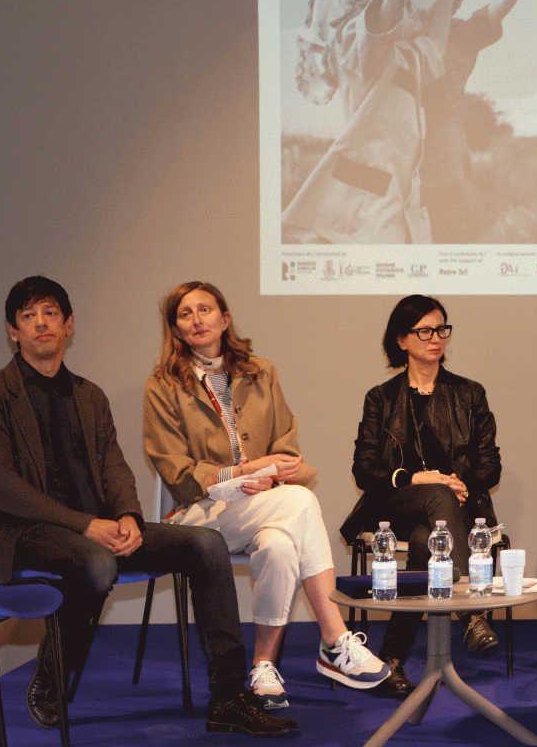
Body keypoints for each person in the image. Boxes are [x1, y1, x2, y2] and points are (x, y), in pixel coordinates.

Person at [0, 277, 297, 735]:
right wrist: (87, 525)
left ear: (68, 324)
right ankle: (54, 670)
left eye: (50, 313)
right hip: (24, 532)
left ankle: (227, 697)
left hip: (98, 528)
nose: (41, 323)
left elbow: (115, 467)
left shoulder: (89, 395)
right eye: (29, 316)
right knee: (97, 562)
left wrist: (127, 516)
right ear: (14, 331)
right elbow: (3, 489)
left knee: (206, 545)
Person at [143, 282, 388, 709]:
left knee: (279, 544)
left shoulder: (261, 371)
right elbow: (175, 470)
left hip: (264, 504)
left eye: (205, 309)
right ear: (175, 328)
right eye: (185, 313)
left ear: (225, 318)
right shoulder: (161, 385)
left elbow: (286, 445)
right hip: (198, 514)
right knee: (301, 503)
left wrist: (273, 475)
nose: (197, 319)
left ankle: (262, 667)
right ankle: (334, 638)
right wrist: (242, 473)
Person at [282, 0, 536, 244]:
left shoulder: (407, 56)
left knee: (406, 247)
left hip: (408, 181)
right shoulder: (358, 44)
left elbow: (435, 39)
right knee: (379, 246)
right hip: (376, 183)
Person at [342, 294, 503, 697]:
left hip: (454, 508)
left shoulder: (470, 393)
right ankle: (470, 613)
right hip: (396, 506)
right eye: (425, 331)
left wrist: (461, 483)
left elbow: (490, 464)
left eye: (441, 329)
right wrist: (413, 478)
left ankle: (391, 660)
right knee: (435, 495)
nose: (436, 338)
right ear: (401, 340)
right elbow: (364, 469)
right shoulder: (381, 398)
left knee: (424, 542)